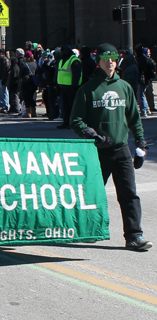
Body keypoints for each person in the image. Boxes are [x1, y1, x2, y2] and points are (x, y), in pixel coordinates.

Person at [70, 43, 152, 251]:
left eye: (114, 58)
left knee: (129, 194)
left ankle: (134, 236)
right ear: (98, 62)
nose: (110, 62)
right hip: (97, 151)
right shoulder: (87, 89)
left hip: (121, 150)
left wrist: (140, 143)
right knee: (92, 193)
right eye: (106, 58)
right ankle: (88, 229)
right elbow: (76, 120)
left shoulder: (124, 87)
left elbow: (134, 118)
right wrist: (91, 134)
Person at [57, 45, 82, 129]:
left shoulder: (74, 60)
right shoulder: (62, 60)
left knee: (72, 107)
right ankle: (66, 122)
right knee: (65, 107)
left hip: (71, 88)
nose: (61, 53)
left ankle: (72, 124)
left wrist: (74, 85)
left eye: (62, 51)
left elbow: (77, 74)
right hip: (63, 87)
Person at [0, 49, 10, 113]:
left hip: (3, 78)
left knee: (4, 93)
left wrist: (4, 79)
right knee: (0, 93)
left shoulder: (5, 60)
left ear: (2, 53)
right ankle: (3, 106)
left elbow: (5, 70)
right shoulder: (0, 60)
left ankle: (6, 106)